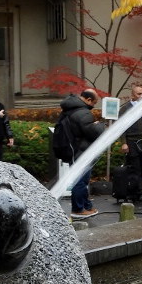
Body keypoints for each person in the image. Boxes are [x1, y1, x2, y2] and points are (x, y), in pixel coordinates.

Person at [58, 89, 102, 218]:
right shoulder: (83, 113)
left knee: (82, 179)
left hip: (73, 149)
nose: (94, 106)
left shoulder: (70, 109)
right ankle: (78, 209)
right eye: (94, 102)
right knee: (80, 181)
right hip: (81, 151)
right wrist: (99, 126)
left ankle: (86, 206)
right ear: (88, 100)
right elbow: (91, 132)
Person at [119, 82, 142, 201]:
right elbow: (121, 127)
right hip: (131, 141)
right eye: (139, 94)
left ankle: (140, 189)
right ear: (132, 95)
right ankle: (137, 191)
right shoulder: (125, 109)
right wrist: (124, 142)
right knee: (135, 167)